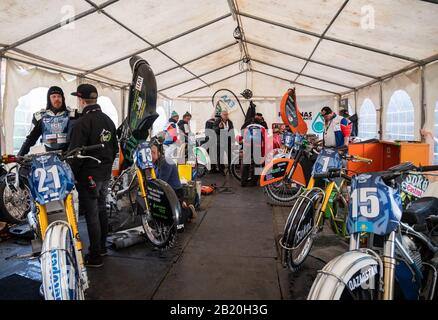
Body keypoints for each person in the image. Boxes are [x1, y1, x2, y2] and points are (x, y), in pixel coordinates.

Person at [68, 84, 118, 268]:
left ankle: (95, 256)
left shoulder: (82, 123)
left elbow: (75, 154)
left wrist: (71, 176)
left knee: (92, 214)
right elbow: (115, 149)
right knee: (101, 209)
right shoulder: (108, 121)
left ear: (81, 100)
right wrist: (106, 169)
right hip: (104, 174)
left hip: (88, 175)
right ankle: (102, 248)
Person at [18, 86, 79, 156]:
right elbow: (30, 139)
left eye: (59, 96)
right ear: (49, 99)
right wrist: (20, 155)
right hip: (49, 157)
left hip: (68, 156)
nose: (57, 99)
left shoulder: (73, 115)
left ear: (63, 98)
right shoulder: (40, 117)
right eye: (54, 96)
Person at [150, 135, 196, 225]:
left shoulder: (166, 162)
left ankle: (189, 210)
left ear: (159, 152)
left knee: (174, 222)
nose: (151, 155)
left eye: (153, 152)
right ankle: (182, 206)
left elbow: (161, 183)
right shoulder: (155, 162)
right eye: (149, 152)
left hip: (174, 192)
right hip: (165, 191)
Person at [214, 110, 235, 175]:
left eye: (227, 114)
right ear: (221, 115)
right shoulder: (218, 121)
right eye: (224, 115)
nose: (226, 116)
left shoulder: (230, 122)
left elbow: (232, 132)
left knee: (230, 156)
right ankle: (221, 170)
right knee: (220, 156)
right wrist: (219, 128)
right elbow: (214, 130)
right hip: (220, 141)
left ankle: (230, 169)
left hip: (228, 141)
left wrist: (233, 141)